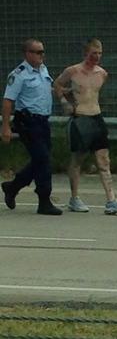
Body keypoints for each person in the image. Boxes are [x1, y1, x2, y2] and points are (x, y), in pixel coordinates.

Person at [53, 38, 117, 215]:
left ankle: (111, 200)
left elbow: (92, 94)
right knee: (78, 160)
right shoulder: (72, 71)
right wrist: (64, 101)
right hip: (80, 119)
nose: (96, 57)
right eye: (93, 53)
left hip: (96, 117)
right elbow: (57, 85)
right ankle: (74, 198)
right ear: (86, 53)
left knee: (104, 161)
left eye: (99, 53)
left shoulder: (102, 73)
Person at [1, 39, 62, 215]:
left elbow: (42, 92)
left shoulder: (43, 69)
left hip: (43, 121)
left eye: (43, 51)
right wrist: (5, 127)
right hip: (27, 122)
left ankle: (12, 187)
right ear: (27, 54)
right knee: (43, 159)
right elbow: (8, 100)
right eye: (37, 52)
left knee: (41, 159)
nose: (42, 55)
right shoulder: (19, 75)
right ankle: (44, 200)